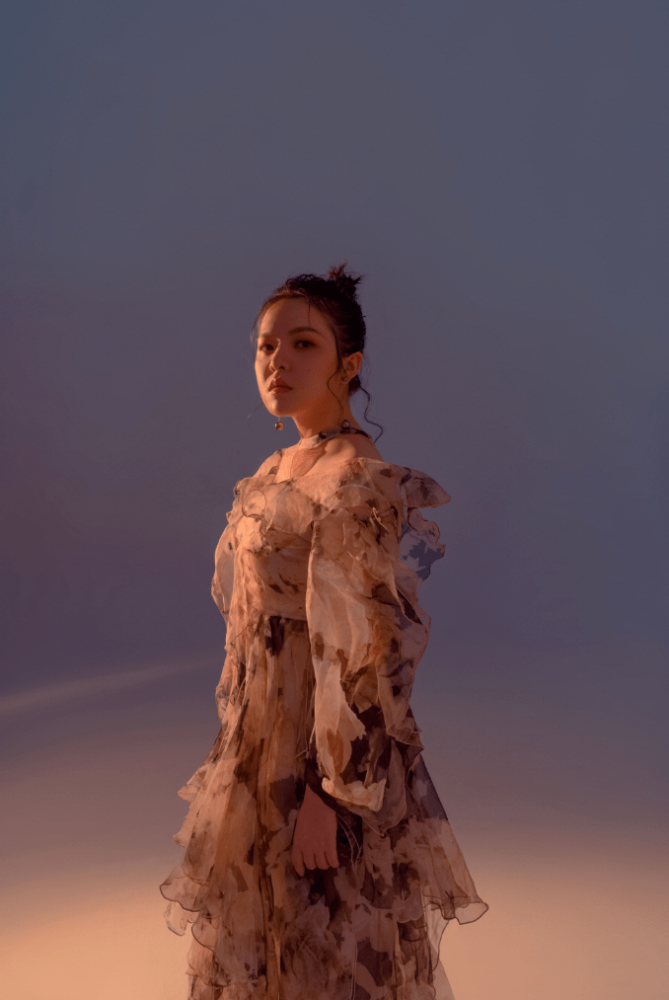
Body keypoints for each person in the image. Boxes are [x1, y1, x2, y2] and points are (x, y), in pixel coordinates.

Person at [159, 264, 488, 1000]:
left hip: (325, 754)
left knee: (330, 942)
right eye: (266, 346)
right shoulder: (278, 467)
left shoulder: (352, 477)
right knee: (265, 942)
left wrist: (330, 795)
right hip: (261, 741)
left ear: (350, 363)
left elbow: (367, 650)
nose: (277, 361)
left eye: (302, 344)